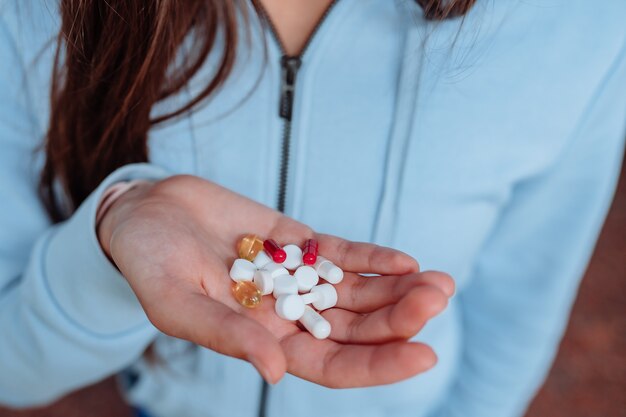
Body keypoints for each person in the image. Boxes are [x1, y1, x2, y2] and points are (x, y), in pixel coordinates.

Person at [0, 1, 624, 417]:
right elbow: (12, 368)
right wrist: (112, 232)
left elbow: (520, 309)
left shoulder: (582, 26)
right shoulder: (32, 18)